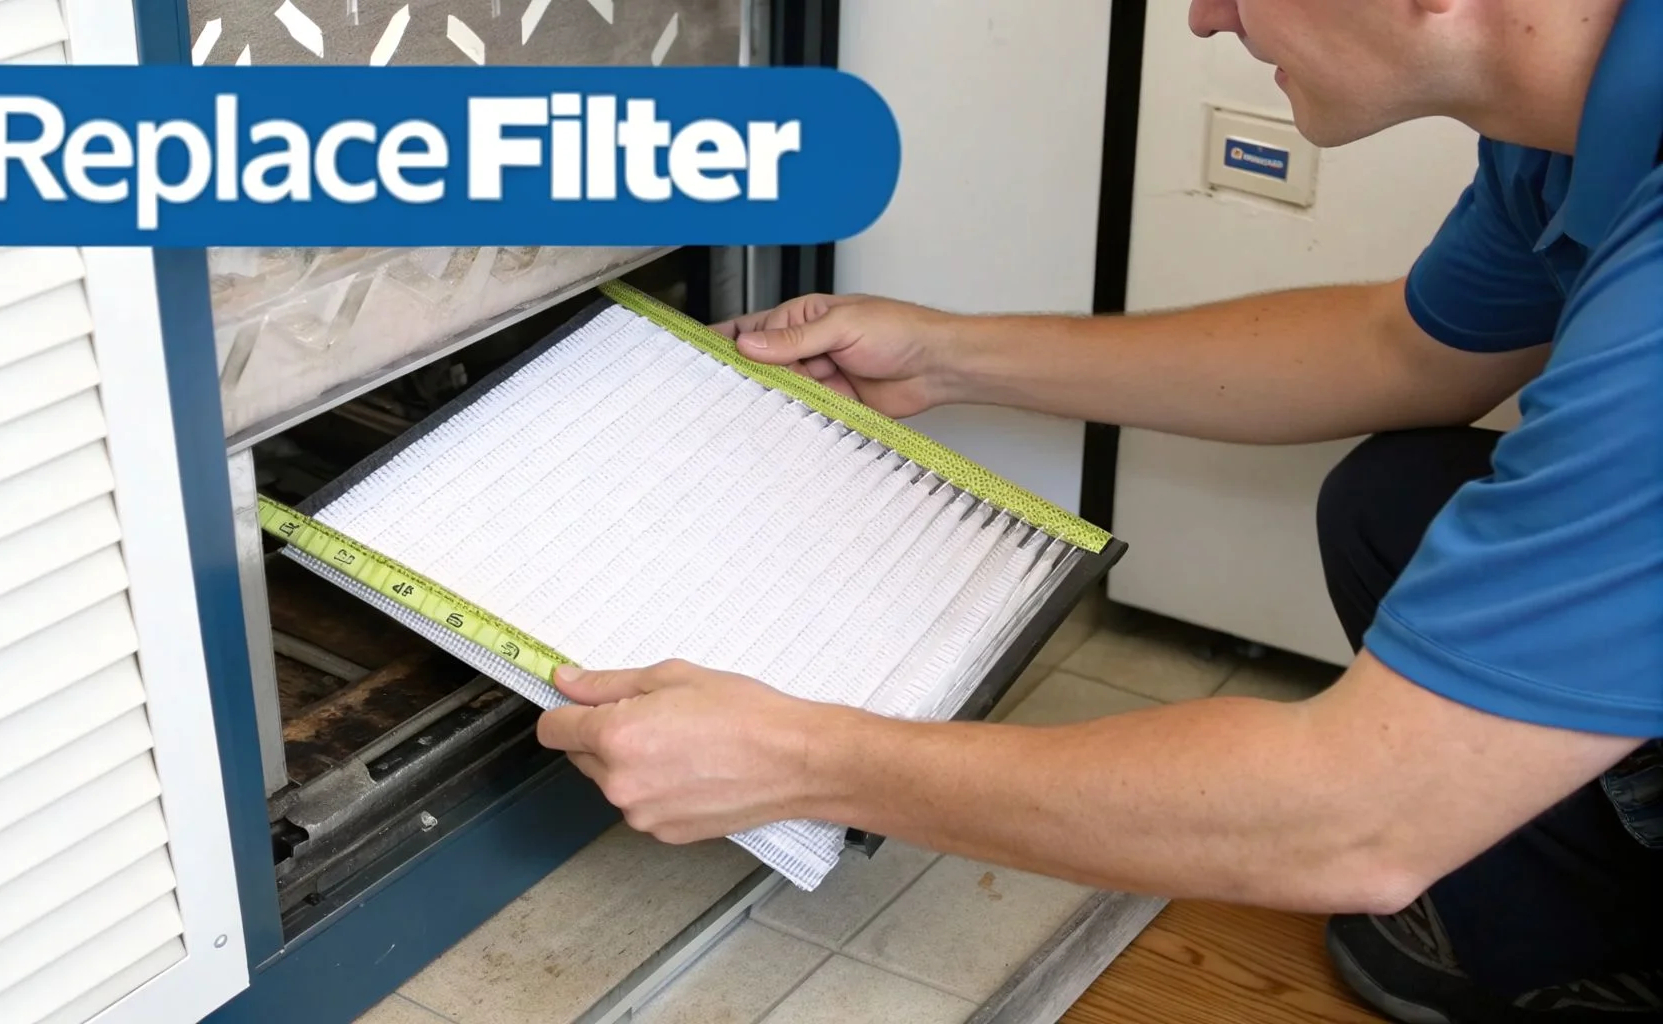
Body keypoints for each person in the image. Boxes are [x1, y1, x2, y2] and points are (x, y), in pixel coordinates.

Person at [535, 1, 1663, 1020]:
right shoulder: (1561, 132)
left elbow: (1356, 815)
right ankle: (1594, 954)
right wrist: (946, 357)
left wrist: (805, 761)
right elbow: (1404, 351)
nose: (1205, 18)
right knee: (1397, 504)